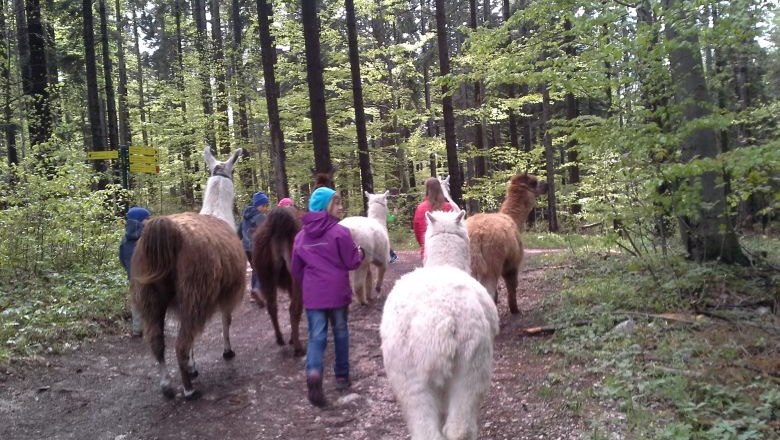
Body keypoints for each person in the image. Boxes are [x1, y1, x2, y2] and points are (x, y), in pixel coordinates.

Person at [291, 187, 364, 407]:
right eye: (337, 203)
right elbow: (352, 262)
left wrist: (311, 282)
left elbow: (296, 270)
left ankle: (313, 374)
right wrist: (360, 252)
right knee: (340, 331)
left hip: (313, 297)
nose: (342, 207)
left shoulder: (301, 236)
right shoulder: (340, 233)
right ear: (326, 207)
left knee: (316, 336)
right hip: (337, 293)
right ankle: (342, 376)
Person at [119, 206, 151, 337]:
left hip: (133, 278)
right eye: (147, 219)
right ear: (140, 221)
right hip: (149, 278)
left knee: (137, 304)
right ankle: (151, 329)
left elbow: (122, 260)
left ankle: (137, 330)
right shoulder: (148, 240)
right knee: (150, 303)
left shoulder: (125, 242)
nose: (149, 221)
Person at [239, 191, 270, 307]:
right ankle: (258, 290)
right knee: (262, 270)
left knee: (255, 270)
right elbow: (267, 232)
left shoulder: (245, 218)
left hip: (247, 249)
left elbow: (238, 233)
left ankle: (253, 294)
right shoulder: (261, 217)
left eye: (266, 206)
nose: (266, 208)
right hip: (257, 248)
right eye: (264, 206)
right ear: (258, 205)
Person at [413, 177, 453, 259]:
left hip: (428, 251)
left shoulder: (420, 208)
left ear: (427, 189)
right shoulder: (448, 207)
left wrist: (423, 246)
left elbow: (417, 231)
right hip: (448, 250)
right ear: (440, 188)